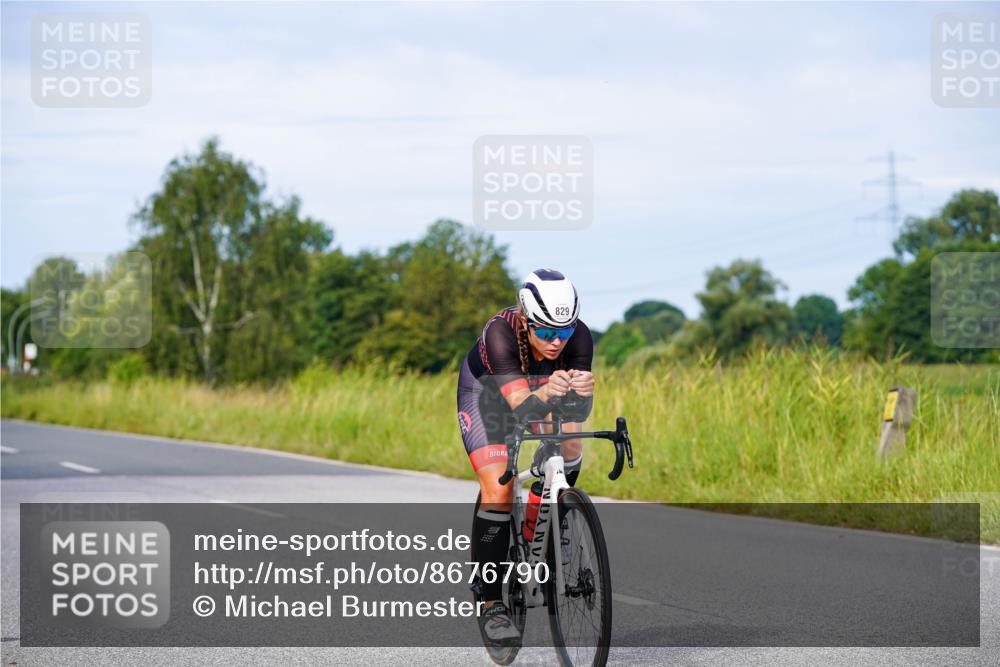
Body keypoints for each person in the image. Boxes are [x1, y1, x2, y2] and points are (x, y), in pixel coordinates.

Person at [456, 269, 595, 648]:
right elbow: (520, 409)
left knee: (569, 444)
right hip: (488, 397)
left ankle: (552, 515)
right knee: (498, 489)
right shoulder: (499, 334)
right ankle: (491, 601)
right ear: (526, 318)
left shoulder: (578, 335)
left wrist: (582, 393)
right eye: (546, 331)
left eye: (563, 331)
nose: (556, 341)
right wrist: (553, 392)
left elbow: (577, 413)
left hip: (538, 391)